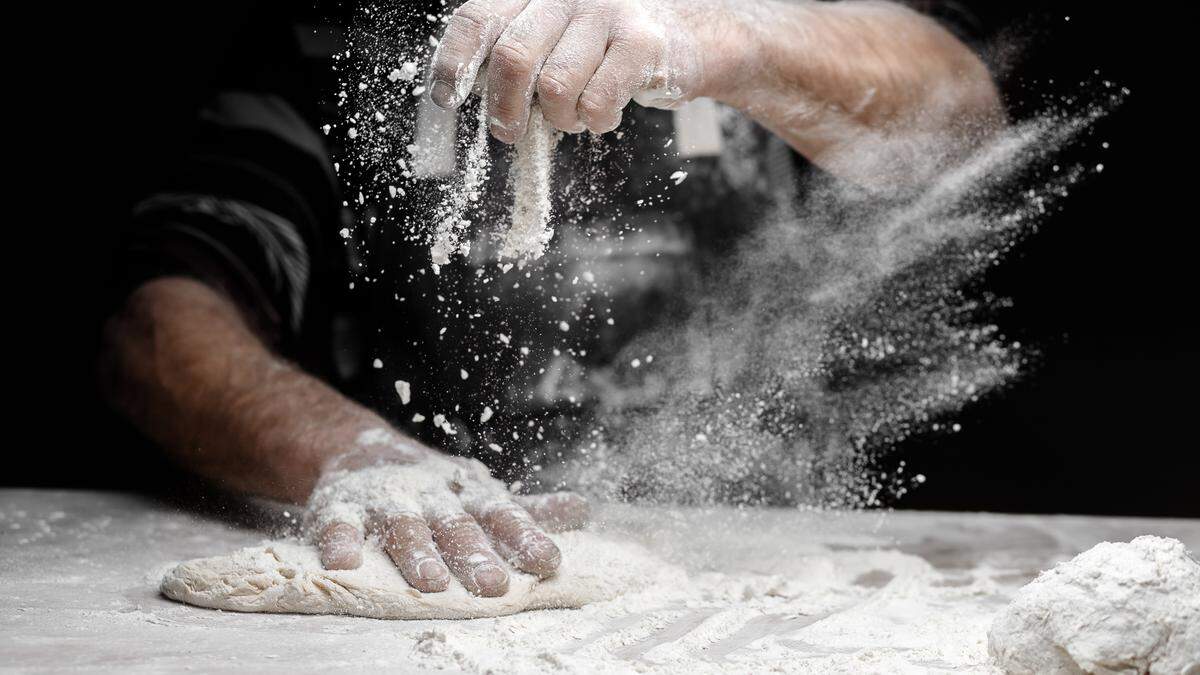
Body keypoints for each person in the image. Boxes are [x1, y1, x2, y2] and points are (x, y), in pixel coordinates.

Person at [99, 0, 1001, 597]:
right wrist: (356, 452)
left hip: (764, 564)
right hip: (440, 551)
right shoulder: (328, 37)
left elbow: (961, 129)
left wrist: (737, 36)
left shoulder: (753, 10)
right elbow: (160, 312)